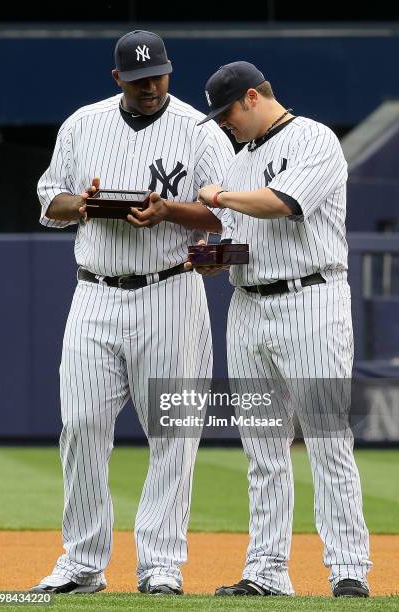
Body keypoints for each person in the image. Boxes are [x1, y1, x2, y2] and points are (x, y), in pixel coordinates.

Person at [31, 30, 234, 595]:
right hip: (94, 293)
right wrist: (89, 204)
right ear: (117, 78)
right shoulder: (82, 123)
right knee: (82, 426)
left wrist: (170, 211)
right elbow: (51, 198)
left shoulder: (200, 131)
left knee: (174, 432)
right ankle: (82, 563)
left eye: (160, 75)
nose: (152, 86)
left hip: (170, 292)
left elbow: (226, 216)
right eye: (140, 79)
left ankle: (161, 566)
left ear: (171, 71)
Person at [196, 61, 372, 598]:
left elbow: (284, 203)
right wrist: (214, 258)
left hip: (310, 301)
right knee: (261, 448)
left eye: (228, 112)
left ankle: (348, 569)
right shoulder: (240, 159)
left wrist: (220, 196)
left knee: (326, 438)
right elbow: (245, 236)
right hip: (248, 305)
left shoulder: (314, 137)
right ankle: (266, 572)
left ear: (253, 97)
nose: (224, 124)